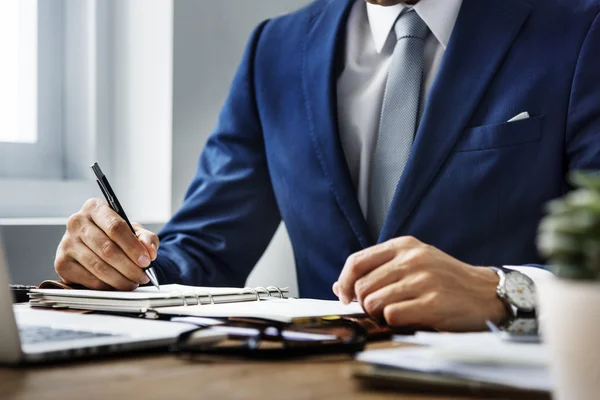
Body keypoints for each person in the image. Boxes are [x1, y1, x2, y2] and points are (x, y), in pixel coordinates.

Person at [54, 0, 600, 331]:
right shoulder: (276, 48)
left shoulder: (580, 30)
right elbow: (204, 249)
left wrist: (504, 293)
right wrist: (121, 268)